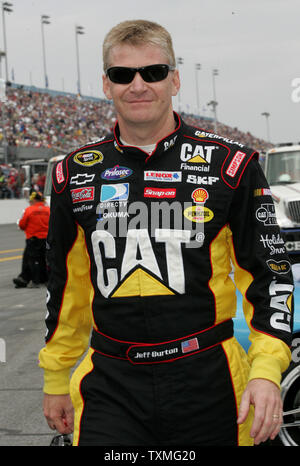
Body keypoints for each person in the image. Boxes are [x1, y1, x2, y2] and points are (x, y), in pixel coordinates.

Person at [39, 19, 294, 446]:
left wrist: (267, 371)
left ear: (174, 80)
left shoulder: (232, 165)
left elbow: (269, 275)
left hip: (209, 378)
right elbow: (67, 286)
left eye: (153, 72)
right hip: (111, 383)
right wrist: (55, 375)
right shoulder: (72, 174)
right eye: (123, 75)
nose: (138, 85)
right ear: (107, 84)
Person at [13, 191, 50, 288]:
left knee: (31, 260)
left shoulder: (29, 210)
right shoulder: (49, 210)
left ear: (34, 200)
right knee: (44, 259)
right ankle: (45, 279)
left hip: (33, 239)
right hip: (46, 239)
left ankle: (33, 281)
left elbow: (22, 225)